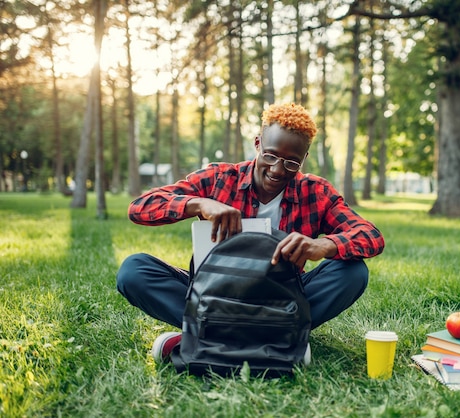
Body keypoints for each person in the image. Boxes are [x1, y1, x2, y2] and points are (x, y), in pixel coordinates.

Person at [116, 103, 385, 363]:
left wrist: (324, 246)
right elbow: (140, 207)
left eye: (292, 163)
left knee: (352, 272)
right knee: (134, 270)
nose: (278, 170)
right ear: (257, 144)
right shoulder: (220, 178)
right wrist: (198, 203)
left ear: (304, 158)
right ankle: (279, 343)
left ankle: (209, 338)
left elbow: (370, 235)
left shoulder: (315, 192)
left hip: (282, 298)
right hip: (213, 294)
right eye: (270, 155)